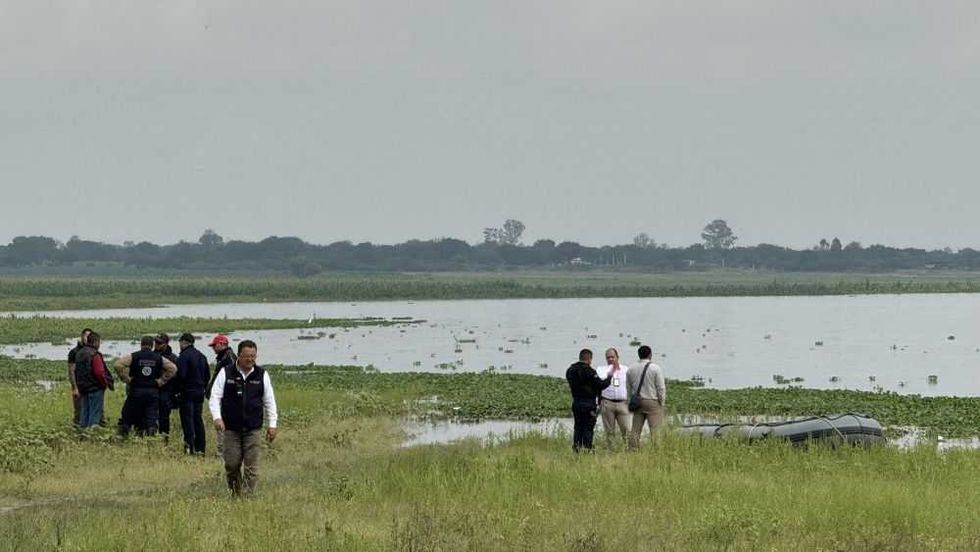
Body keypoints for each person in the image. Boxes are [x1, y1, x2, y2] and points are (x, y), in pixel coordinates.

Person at [209, 340, 278, 496]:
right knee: (232, 465)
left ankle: (247, 497)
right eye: (247, 356)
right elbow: (215, 397)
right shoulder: (226, 372)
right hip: (230, 428)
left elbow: (270, 401)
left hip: (253, 428)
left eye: (253, 356)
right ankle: (235, 493)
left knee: (251, 466)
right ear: (238, 356)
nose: (250, 360)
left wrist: (272, 425)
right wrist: (217, 418)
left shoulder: (262, 375)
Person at [113, 336, 177, 436]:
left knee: (127, 414)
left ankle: (124, 435)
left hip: (136, 390)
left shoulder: (134, 356)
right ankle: (150, 436)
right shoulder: (159, 358)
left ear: (141, 344)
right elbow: (173, 368)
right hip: (152, 391)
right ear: (152, 345)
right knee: (151, 416)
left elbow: (118, 365)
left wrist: (126, 379)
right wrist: (161, 381)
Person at [565, 348, 611, 453]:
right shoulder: (590, 371)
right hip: (588, 404)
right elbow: (601, 385)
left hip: (576, 402)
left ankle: (576, 448)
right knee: (588, 427)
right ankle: (587, 449)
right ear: (590, 359)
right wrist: (609, 377)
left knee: (578, 427)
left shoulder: (570, 370)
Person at [176, 333, 210, 454]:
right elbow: (207, 376)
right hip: (199, 391)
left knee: (187, 420)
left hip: (187, 392)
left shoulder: (183, 357)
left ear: (183, 342)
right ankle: (201, 449)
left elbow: (181, 375)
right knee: (198, 420)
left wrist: (177, 391)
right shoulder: (202, 356)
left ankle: (189, 448)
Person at [627, 345, 667, 449]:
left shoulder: (631, 369)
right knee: (655, 430)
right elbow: (661, 388)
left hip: (638, 402)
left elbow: (628, 388)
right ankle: (656, 450)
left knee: (635, 430)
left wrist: (630, 401)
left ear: (639, 355)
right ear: (650, 355)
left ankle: (633, 450)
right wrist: (661, 403)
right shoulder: (655, 368)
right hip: (652, 402)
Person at [206, 334, 237, 455]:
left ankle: (223, 451)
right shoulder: (224, 357)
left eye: (215, 345)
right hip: (223, 397)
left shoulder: (228, 358)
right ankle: (224, 450)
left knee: (223, 423)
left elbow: (232, 379)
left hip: (226, 398)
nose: (213, 347)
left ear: (223, 344)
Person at [74, 332, 111, 429]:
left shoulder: (79, 353)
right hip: (95, 388)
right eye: (99, 342)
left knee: (84, 412)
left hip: (83, 387)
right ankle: (91, 435)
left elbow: (76, 371)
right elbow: (99, 372)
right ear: (96, 342)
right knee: (94, 414)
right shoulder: (95, 355)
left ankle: (83, 434)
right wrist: (104, 384)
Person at [597, 348, 631, 447]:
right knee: (609, 431)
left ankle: (629, 450)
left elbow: (631, 385)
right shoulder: (601, 370)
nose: (611, 359)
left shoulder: (626, 370)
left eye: (613, 357)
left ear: (617, 357)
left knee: (627, 429)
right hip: (607, 403)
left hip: (623, 404)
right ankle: (611, 451)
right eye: (608, 357)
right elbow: (597, 386)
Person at [153, 333, 179, 440]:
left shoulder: (173, 358)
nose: (157, 345)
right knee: (151, 416)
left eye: (159, 343)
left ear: (166, 344)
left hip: (167, 391)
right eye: (156, 342)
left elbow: (177, 376)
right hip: (153, 390)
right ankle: (152, 437)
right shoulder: (152, 355)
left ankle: (164, 439)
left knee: (164, 418)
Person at [67, 328, 93, 426]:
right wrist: (75, 388)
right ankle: (77, 433)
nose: (88, 338)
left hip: (91, 386)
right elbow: (71, 371)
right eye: (86, 336)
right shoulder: (74, 352)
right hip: (79, 386)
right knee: (79, 412)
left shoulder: (92, 351)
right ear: (82, 336)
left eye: (90, 337)